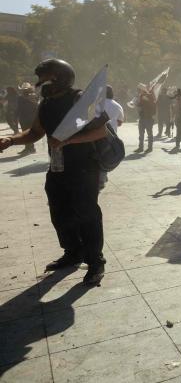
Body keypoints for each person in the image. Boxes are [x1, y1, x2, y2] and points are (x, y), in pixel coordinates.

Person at [0, 59, 108, 285]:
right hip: (57, 169)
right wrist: (11, 140)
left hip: (84, 169)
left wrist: (68, 141)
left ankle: (96, 262)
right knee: (60, 213)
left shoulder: (80, 100)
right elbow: (34, 132)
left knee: (87, 214)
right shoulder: (46, 104)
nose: (40, 84)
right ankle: (73, 252)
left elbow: (100, 132)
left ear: (60, 78)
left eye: (45, 79)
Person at [95, 85, 125, 190]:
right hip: (112, 136)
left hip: (97, 134)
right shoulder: (117, 105)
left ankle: (101, 180)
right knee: (106, 155)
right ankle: (103, 177)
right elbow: (120, 122)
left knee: (98, 155)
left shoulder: (96, 105)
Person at [16, 83, 39, 155]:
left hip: (28, 118)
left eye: (25, 89)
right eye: (23, 90)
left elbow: (19, 109)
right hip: (26, 118)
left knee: (27, 134)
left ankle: (30, 148)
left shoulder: (24, 97)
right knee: (26, 133)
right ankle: (29, 148)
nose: (24, 91)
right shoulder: (33, 96)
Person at [134, 88, 156, 153]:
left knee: (149, 134)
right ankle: (140, 147)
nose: (141, 92)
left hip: (148, 118)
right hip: (142, 118)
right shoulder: (141, 97)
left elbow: (153, 105)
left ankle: (150, 148)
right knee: (141, 134)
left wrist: (146, 98)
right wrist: (136, 103)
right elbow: (138, 105)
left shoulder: (151, 97)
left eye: (143, 91)